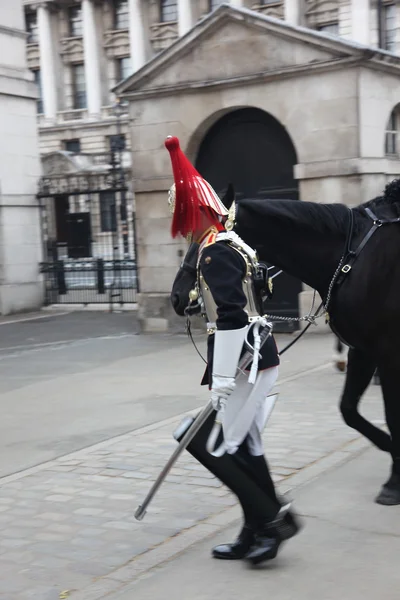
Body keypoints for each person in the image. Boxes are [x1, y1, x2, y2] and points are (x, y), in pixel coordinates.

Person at [165, 136, 301, 565]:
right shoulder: (232, 245)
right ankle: (255, 528)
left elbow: (231, 316)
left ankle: (274, 520)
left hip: (243, 361)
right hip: (253, 358)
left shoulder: (214, 252)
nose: (183, 225)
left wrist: (223, 376)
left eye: (185, 216)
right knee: (246, 447)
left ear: (198, 213)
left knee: (212, 443)